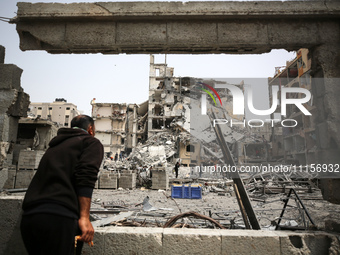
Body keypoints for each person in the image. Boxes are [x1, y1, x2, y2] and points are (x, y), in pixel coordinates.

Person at [20, 115, 104, 255]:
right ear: (90, 129)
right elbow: (86, 177)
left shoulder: (55, 146)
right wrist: (84, 218)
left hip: (30, 218)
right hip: (59, 219)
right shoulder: (90, 142)